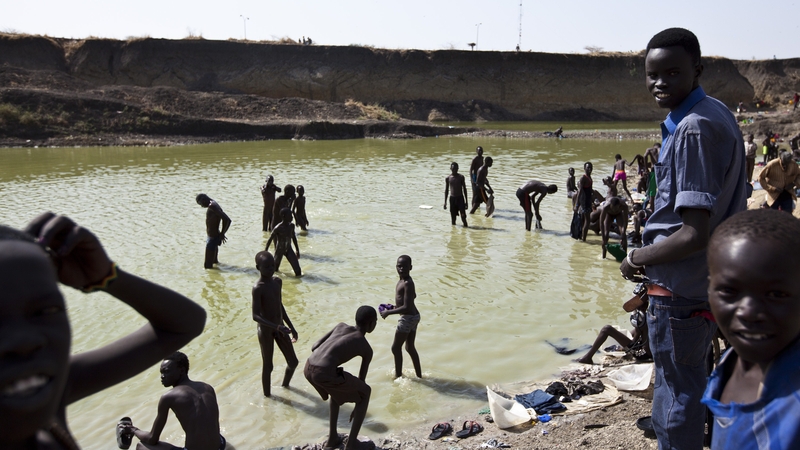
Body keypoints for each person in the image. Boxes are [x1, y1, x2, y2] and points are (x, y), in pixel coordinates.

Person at [619, 28, 747, 450]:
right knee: (694, 381)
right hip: (706, 282)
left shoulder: (692, 130)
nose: (660, 83)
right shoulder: (716, 112)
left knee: (675, 397)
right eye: (652, 74)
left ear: (698, 70)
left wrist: (635, 257)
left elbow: (693, 233)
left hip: (680, 289)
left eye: (672, 73)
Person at [0, 212, 206, 450]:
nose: (26, 340)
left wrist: (107, 277)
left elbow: (185, 324)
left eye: (46, 311)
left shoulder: (52, 386)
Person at [701, 209, 800, 449]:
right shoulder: (729, 362)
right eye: (729, 291)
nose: (748, 312)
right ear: (709, 291)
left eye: (776, 294)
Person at [304, 306, 377, 450]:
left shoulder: (340, 326)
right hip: (323, 372)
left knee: (336, 388)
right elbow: (361, 383)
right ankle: (352, 444)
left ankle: (332, 439)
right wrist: (358, 406)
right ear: (370, 324)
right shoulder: (365, 347)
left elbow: (315, 346)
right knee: (366, 392)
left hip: (308, 367)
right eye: (375, 321)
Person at [125, 352, 224, 450]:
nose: (162, 376)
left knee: (141, 446)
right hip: (220, 445)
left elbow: (152, 439)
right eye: (161, 372)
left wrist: (133, 430)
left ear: (181, 370)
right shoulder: (207, 388)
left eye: (166, 371)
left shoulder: (168, 397)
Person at [252, 251, 298, 396]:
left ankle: (285, 386)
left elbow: (280, 305)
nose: (271, 269)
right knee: (268, 366)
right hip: (266, 331)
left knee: (293, 362)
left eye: (272, 265)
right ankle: (268, 397)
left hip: (281, 327)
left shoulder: (277, 282)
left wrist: (291, 326)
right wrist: (276, 326)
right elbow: (255, 316)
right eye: (266, 267)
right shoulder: (258, 288)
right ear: (258, 267)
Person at [576, 290, 651, 365]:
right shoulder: (650, 316)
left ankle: (587, 358)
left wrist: (623, 346)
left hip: (642, 355)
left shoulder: (642, 318)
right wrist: (623, 338)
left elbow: (635, 340)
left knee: (606, 329)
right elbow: (638, 332)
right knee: (617, 333)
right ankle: (588, 357)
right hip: (650, 352)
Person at [380, 255, 422, 378]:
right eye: (399, 266)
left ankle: (398, 377)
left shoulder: (408, 283)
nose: (402, 269)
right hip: (414, 317)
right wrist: (393, 307)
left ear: (411, 267)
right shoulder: (402, 281)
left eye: (405, 266)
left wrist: (388, 313)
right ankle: (419, 376)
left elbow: (407, 308)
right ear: (396, 267)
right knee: (409, 347)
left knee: (395, 348)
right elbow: (411, 298)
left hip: (408, 317)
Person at [196, 194, 232, 269]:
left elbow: (227, 220)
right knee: (214, 263)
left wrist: (222, 233)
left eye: (200, 204)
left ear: (203, 200)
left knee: (208, 266)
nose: (202, 206)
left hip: (212, 238)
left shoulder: (212, 206)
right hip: (213, 237)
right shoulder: (213, 204)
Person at [265, 207, 301, 276]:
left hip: (288, 249)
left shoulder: (291, 226)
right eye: (290, 215)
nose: (292, 217)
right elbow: (270, 239)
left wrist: (297, 250)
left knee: (298, 271)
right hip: (279, 250)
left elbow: (294, 238)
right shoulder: (278, 228)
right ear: (284, 216)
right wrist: (265, 251)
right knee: (274, 270)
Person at [443, 162, 469, 227]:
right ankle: (453, 233)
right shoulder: (448, 178)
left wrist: (466, 202)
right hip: (452, 199)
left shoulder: (461, 177)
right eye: (453, 169)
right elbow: (446, 190)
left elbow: (464, 189)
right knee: (453, 218)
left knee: (463, 216)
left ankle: (465, 230)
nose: (454, 170)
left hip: (460, 198)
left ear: (458, 169)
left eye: (456, 169)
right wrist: (445, 202)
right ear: (450, 169)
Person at [574, 162, 594, 241]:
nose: (590, 169)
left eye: (591, 167)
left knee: (584, 220)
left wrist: (593, 200)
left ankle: (581, 237)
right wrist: (577, 204)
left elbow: (590, 190)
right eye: (588, 167)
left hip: (588, 201)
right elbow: (580, 191)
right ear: (584, 168)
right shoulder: (583, 178)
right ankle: (584, 239)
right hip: (584, 201)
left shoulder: (589, 177)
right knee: (587, 221)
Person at [469, 146, 484, 214]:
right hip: (475, 176)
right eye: (479, 150)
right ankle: (473, 207)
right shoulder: (475, 159)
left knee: (479, 192)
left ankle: (477, 206)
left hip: (479, 177)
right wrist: (472, 179)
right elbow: (471, 169)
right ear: (476, 151)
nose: (480, 152)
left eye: (481, 150)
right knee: (474, 193)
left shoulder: (482, 158)